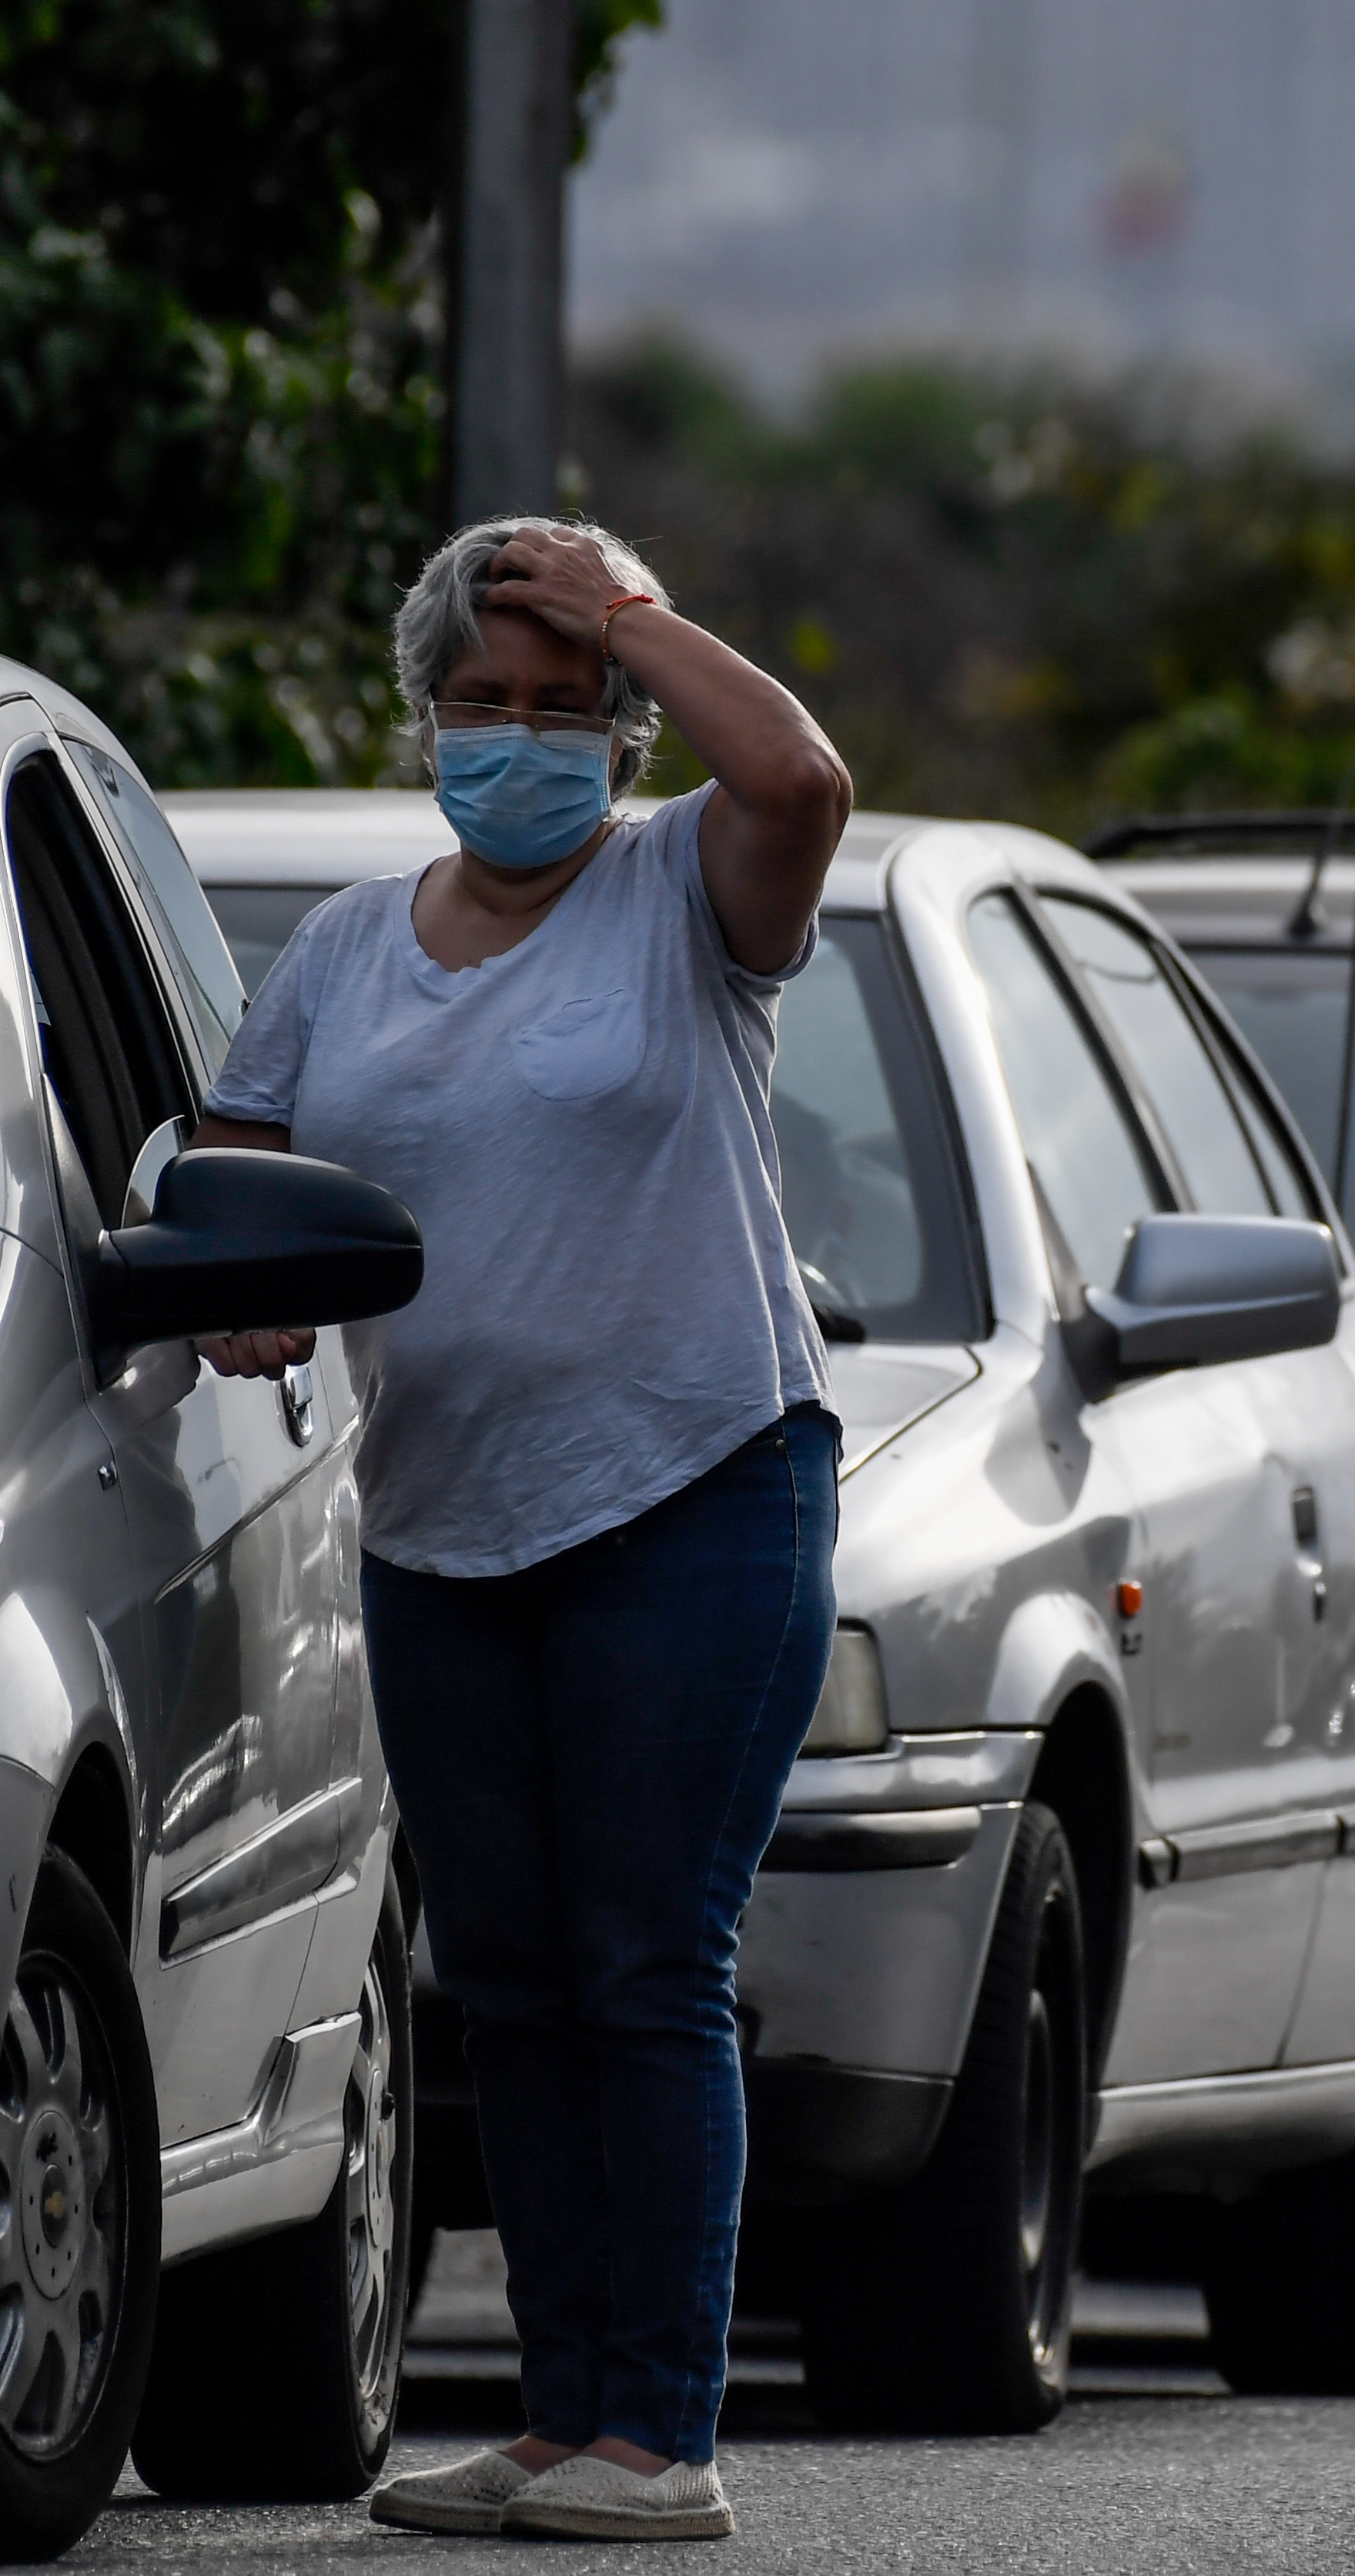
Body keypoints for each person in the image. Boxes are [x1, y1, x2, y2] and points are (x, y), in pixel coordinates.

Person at [193, 516, 851, 2543]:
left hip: (694, 1492)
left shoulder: (683, 891)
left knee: (648, 1958)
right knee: (507, 1973)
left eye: (564, 711)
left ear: (624, 732)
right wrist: (244, 1275)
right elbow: (238, 1154)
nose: (519, 740)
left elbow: (802, 782)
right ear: (424, 723)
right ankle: (562, 2414)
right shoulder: (344, 951)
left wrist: (633, 614)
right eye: (482, 703)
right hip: (444, 1525)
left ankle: (660, 2430)